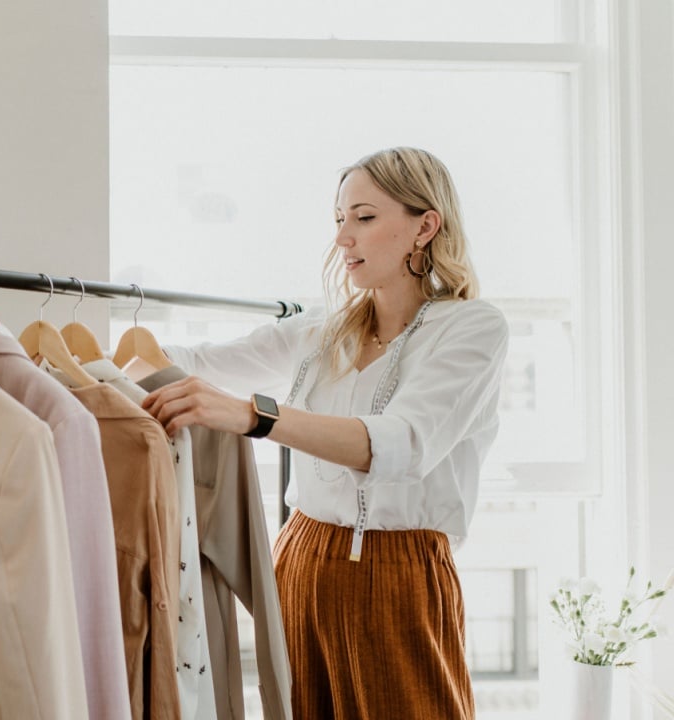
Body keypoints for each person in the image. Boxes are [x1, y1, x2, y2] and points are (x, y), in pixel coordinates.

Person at [140, 146, 508, 719]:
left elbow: (398, 444)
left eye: (363, 217)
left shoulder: (471, 329)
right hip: (301, 558)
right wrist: (61, 356)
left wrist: (255, 417)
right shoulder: (322, 328)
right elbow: (198, 361)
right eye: (339, 220)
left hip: (399, 572)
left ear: (425, 226)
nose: (343, 239)